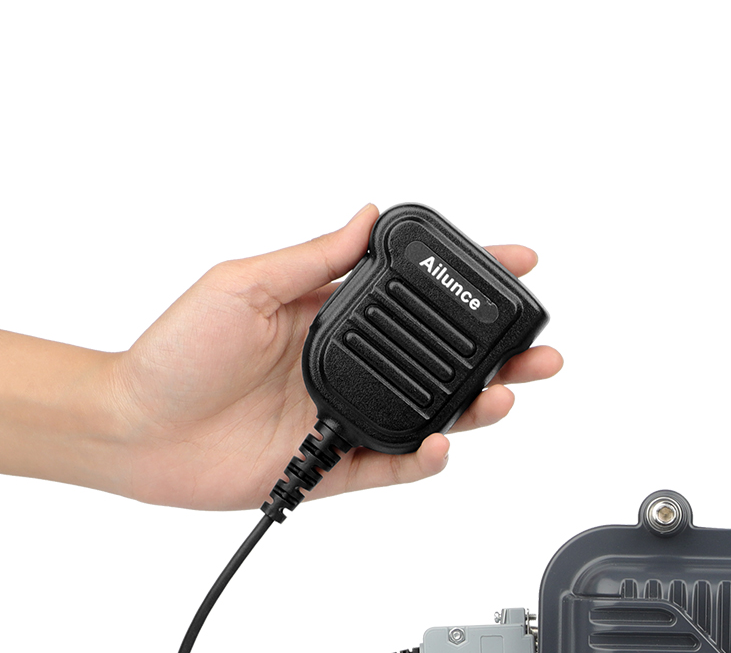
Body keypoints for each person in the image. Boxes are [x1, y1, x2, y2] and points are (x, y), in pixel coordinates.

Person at [0, 205, 562, 508]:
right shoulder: (403, 238)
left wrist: (132, 420)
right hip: (353, 398)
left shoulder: (408, 235)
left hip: (366, 404)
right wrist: (130, 416)